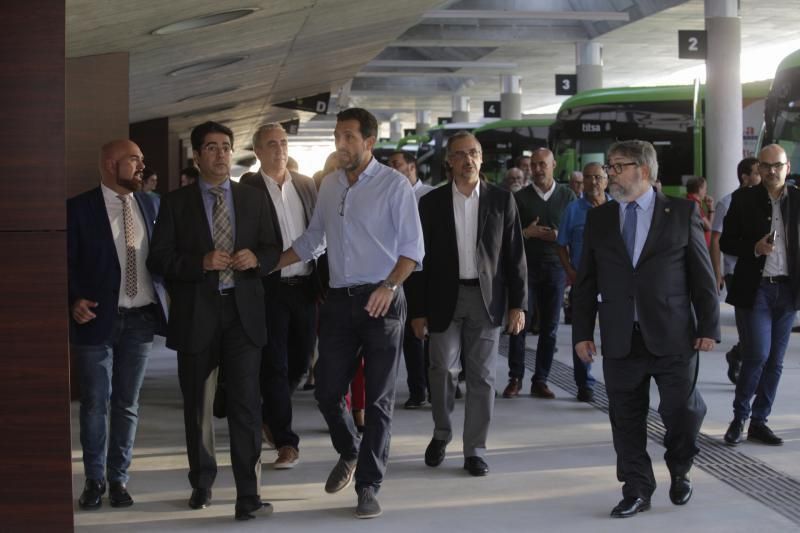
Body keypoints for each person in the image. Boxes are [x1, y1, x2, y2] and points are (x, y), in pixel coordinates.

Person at [274, 107, 424, 519]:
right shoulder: (329, 186)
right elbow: (312, 240)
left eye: (349, 137)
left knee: (377, 402)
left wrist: (389, 286)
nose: (341, 144)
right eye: (337, 136)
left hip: (383, 301)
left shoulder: (394, 186)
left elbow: (413, 251)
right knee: (325, 390)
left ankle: (368, 485)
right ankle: (349, 449)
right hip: (339, 302)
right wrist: (269, 264)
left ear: (368, 142)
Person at [572, 140, 719, 518]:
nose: (610, 173)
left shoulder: (681, 212)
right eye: (610, 165)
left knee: (682, 412)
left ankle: (681, 466)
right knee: (625, 418)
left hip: (673, 335)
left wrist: (709, 326)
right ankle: (637, 488)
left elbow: (702, 278)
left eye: (619, 166)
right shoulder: (600, 218)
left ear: (645, 170)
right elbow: (586, 280)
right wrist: (582, 333)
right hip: (621, 337)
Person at [147, 121, 281, 521]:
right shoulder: (175, 203)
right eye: (211, 148)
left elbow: (274, 248)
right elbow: (159, 260)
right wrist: (199, 263)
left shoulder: (253, 200)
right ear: (197, 156)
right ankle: (202, 484)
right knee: (198, 407)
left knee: (245, 407)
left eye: (226, 147)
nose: (220, 154)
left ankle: (248, 495)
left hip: (243, 315)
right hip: (197, 316)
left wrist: (257, 259)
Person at [408, 131, 527, 477]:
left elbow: (515, 256)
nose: (468, 159)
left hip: (486, 299)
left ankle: (475, 449)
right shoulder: (430, 203)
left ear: (481, 158)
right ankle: (442, 432)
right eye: (460, 154)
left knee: (483, 377)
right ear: (449, 161)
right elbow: (418, 260)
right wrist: (417, 310)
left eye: (473, 153)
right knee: (442, 368)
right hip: (443, 299)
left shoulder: (501, 200)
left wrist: (518, 304)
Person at [68, 140, 168, 511]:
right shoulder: (78, 209)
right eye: (134, 160)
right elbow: (66, 262)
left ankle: (119, 479)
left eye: (142, 160)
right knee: (95, 403)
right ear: (111, 164)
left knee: (127, 403)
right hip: (95, 320)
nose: (142, 167)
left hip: (140, 320)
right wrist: (72, 299)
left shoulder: (152, 204)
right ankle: (94, 480)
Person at [240, 123, 320, 469]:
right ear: (257, 151)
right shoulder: (248, 188)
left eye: (284, 142)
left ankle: (267, 415)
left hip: (305, 288)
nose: (280, 149)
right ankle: (286, 441)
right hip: (268, 290)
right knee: (276, 365)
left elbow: (320, 234)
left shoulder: (306, 185)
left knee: (301, 364)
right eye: (271, 144)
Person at [721, 144, 797, 448]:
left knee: (776, 362)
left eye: (777, 165)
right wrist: (754, 247)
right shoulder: (742, 200)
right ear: (758, 169)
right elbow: (726, 241)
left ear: (787, 167)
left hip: (788, 291)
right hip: (756, 290)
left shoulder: (798, 200)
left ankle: (759, 422)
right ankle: (739, 418)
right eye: (765, 166)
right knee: (757, 356)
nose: (771, 171)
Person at [503, 148, 575, 399]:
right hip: (525, 270)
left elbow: (574, 232)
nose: (538, 169)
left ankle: (541, 379)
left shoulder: (567, 196)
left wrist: (558, 237)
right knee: (518, 323)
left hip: (556, 268)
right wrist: (526, 233)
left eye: (542, 164)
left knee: (550, 327)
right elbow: (506, 235)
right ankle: (515, 377)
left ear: (554, 164)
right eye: (533, 164)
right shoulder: (519, 198)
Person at [556, 162, 610, 402]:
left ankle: (615, 380)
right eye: (589, 178)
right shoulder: (573, 209)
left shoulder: (617, 207)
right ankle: (584, 383)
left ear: (606, 180)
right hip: (583, 281)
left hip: (612, 283)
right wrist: (570, 271)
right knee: (582, 332)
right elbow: (561, 245)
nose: (594, 182)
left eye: (598, 177)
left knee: (613, 333)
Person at [388, 149, 434, 408]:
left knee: (426, 331)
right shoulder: (389, 195)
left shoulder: (429, 195)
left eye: (397, 163)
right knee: (407, 334)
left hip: (424, 271)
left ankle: (432, 384)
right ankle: (418, 390)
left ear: (412, 166)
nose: (392, 168)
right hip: (397, 270)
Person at [710, 157, 760, 384]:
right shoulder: (727, 202)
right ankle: (744, 363)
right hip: (736, 272)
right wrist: (717, 272)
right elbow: (716, 239)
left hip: (760, 271)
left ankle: (739, 354)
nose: (763, 176)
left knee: (757, 326)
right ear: (745, 177)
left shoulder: (764, 202)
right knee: (749, 324)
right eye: (758, 172)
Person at [685, 176, 713, 247]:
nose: (706, 191)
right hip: (698, 248)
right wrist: (711, 208)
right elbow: (709, 227)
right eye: (705, 188)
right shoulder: (694, 204)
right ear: (699, 189)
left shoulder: (688, 201)